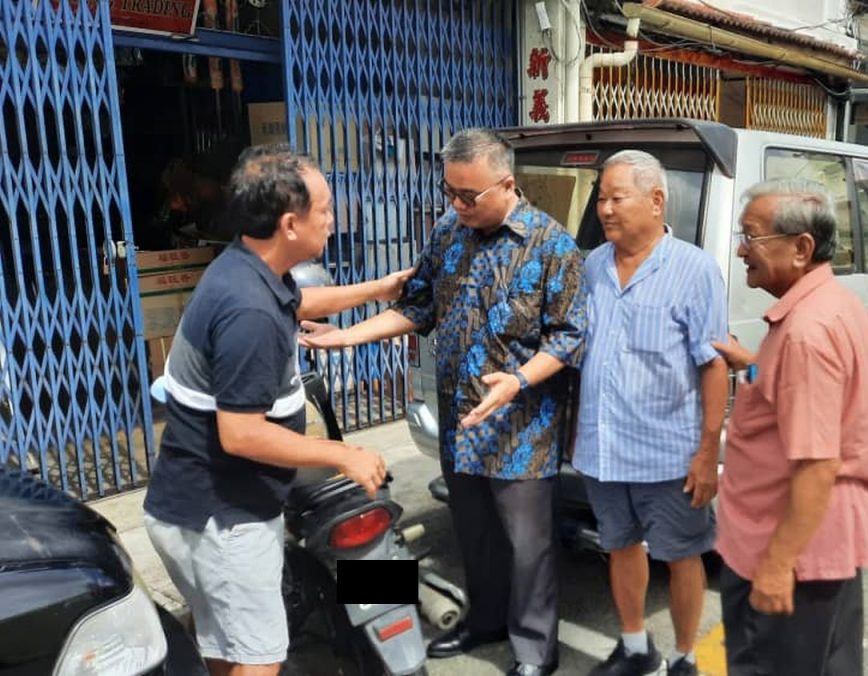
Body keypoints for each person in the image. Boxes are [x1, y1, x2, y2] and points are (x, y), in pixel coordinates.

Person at [300, 128, 587, 676]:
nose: (456, 205)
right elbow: (418, 305)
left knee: (529, 547)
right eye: (448, 192)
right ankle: (486, 624)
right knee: (474, 535)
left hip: (521, 430)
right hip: (460, 422)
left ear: (507, 184)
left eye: (468, 196)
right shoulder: (448, 232)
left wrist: (519, 381)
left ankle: (534, 651)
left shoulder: (553, 246)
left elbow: (570, 337)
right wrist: (347, 336)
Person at [142, 144, 408, 676]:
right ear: (290, 223)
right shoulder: (249, 311)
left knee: (225, 643)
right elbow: (241, 434)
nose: (334, 219)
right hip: (225, 520)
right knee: (262, 659)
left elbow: (300, 303)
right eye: (326, 209)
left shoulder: (248, 267)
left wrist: (381, 288)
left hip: (193, 507)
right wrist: (343, 453)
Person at [711, 179, 868, 676]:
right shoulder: (832, 303)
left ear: (801, 248)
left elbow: (817, 461)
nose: (742, 250)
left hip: (790, 547)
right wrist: (752, 365)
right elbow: (793, 394)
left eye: (753, 237)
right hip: (825, 542)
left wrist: (777, 565)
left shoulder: (807, 333)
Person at [571, 151, 727, 676]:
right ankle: (637, 648)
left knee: (682, 555)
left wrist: (708, 452)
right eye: (601, 197)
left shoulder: (694, 268)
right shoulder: (592, 265)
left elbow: (713, 366)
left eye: (617, 197)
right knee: (618, 545)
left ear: (656, 201)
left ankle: (685, 657)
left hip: (668, 453)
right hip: (603, 448)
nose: (606, 208)